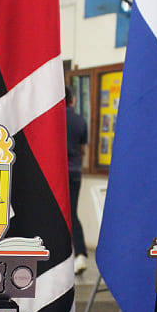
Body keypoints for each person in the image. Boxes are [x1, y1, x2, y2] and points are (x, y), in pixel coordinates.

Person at [65, 85, 89, 275]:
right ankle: (80, 255)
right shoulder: (80, 120)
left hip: (57, 173)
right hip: (74, 172)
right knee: (72, 213)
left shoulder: (52, 118)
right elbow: (83, 151)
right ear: (72, 100)